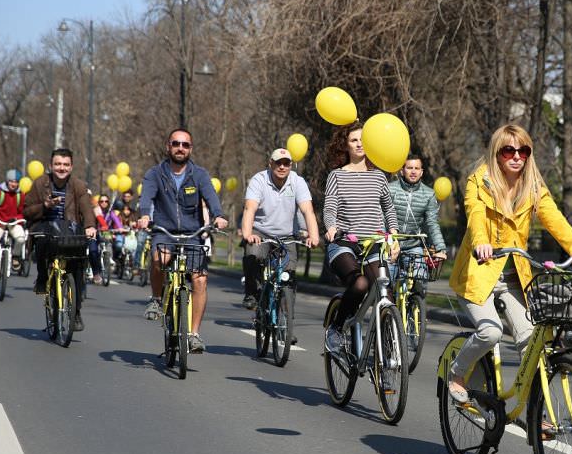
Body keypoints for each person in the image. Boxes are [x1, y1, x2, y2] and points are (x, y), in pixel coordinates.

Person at [445, 124, 572, 403]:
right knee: (490, 332)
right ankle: (457, 373)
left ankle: (534, 413)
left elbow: (555, 220)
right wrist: (481, 242)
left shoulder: (534, 186)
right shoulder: (479, 181)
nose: (516, 156)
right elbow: (475, 214)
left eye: (523, 150)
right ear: (497, 153)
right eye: (508, 150)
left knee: (532, 343)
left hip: (515, 277)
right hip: (479, 274)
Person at [137, 128, 228, 353]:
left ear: (190, 149)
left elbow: (211, 197)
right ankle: (157, 299)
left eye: (185, 145)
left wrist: (219, 216)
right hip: (164, 231)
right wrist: (145, 216)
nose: (180, 148)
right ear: (168, 146)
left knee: (199, 280)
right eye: (176, 143)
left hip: (192, 234)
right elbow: (147, 197)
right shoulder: (155, 174)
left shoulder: (200, 175)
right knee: (159, 258)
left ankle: (194, 334)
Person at [322, 121, 399, 357]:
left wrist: (393, 235)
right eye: (354, 140)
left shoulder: (379, 177)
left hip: (373, 243)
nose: (359, 144)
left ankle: (386, 345)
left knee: (384, 288)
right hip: (344, 242)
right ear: (345, 145)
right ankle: (336, 328)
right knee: (360, 283)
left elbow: (389, 209)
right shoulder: (336, 176)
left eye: (363, 140)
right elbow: (330, 207)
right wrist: (331, 227)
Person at [22, 148, 97, 331]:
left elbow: (87, 208)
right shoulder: (40, 183)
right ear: (50, 165)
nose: (61, 168)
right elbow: (27, 211)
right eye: (57, 164)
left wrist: (89, 226)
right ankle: (42, 277)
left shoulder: (78, 185)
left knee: (78, 267)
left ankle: (76, 311)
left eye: (65, 164)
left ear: (71, 167)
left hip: (69, 229)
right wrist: (45, 206)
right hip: (45, 227)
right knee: (41, 239)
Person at [240, 148, 320, 310]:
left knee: (288, 277)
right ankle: (252, 293)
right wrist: (248, 234)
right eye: (278, 163)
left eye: (286, 163)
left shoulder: (297, 182)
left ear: (291, 165)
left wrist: (314, 236)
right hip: (261, 232)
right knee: (253, 255)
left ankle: (286, 326)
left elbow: (308, 211)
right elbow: (250, 209)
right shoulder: (259, 180)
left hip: (287, 235)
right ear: (271, 164)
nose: (282, 167)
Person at [388, 154, 448, 293]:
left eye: (417, 168)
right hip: (390, 245)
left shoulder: (429, 194)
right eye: (409, 168)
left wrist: (441, 249)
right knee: (386, 284)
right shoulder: (390, 189)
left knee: (420, 281)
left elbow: (432, 223)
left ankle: (416, 311)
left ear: (422, 172)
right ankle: (387, 312)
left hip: (413, 246)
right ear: (402, 170)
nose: (413, 171)